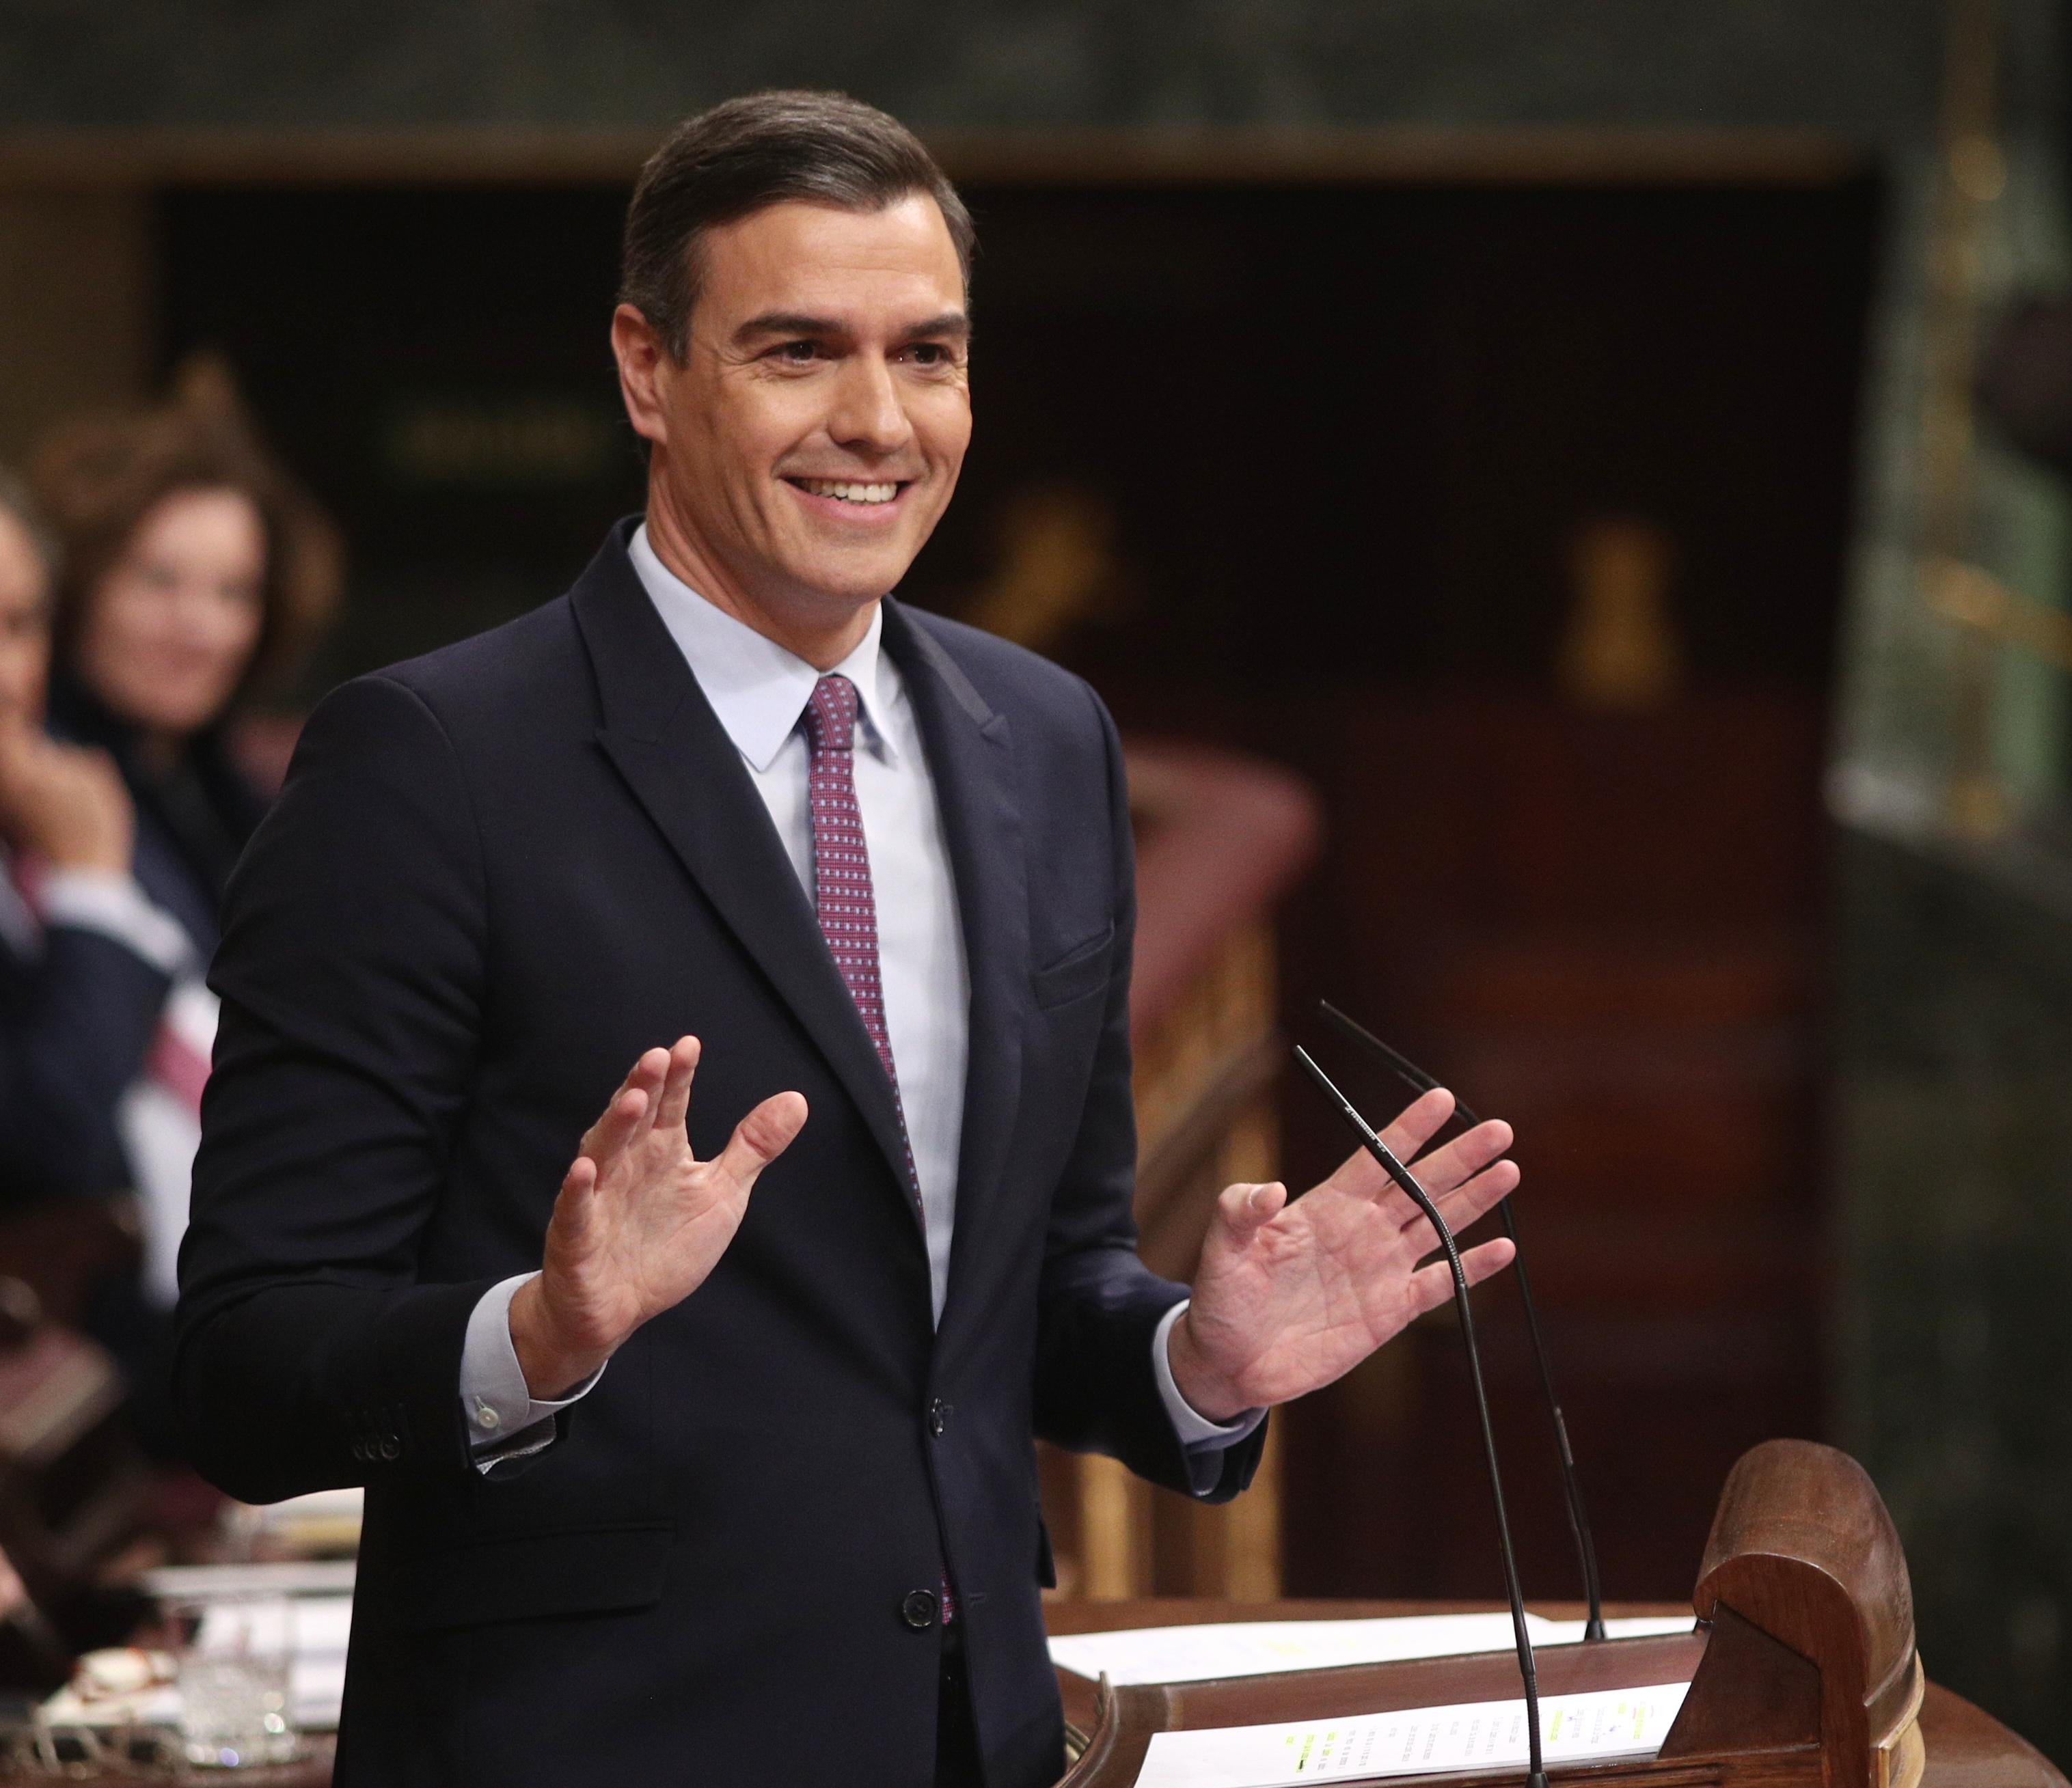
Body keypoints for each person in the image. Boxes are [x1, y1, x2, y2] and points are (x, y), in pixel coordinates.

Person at [174, 92, 1523, 1788]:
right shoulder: (428, 764)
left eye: (930, 354)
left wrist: (1197, 1354)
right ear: (647, 370)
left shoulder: (1049, 738)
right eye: (799, 350)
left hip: (976, 1737)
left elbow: (1033, 1287)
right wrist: (539, 1332)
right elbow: (240, 1366)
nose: (877, 420)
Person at [25, 366, 339, 1446]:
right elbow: (54, 1121)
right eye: (159, 579)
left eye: (233, 591)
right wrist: (88, 874)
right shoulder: (49, 792)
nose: (198, 625)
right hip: (92, 1375)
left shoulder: (228, 798)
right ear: (79, 591)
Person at [0, 473, 190, 1218]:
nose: (10, 678)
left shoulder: (59, 792)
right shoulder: (77, 833)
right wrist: (90, 887)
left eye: (19, 626)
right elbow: (52, 1149)